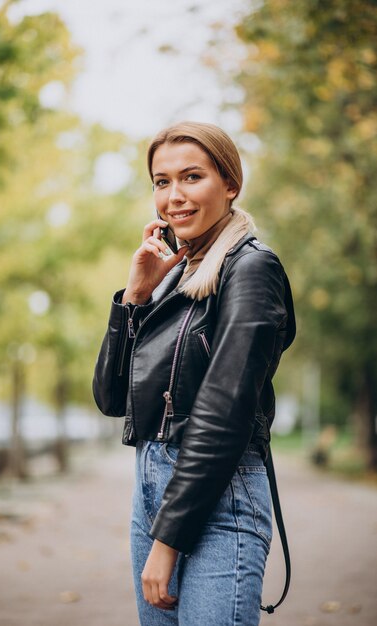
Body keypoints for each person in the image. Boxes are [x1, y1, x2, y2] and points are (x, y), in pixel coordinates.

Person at [92, 121, 296, 626]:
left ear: (230, 184)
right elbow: (112, 398)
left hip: (218, 494)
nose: (174, 197)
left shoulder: (250, 269)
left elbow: (224, 412)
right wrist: (135, 297)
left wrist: (169, 540)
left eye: (191, 177)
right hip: (153, 493)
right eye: (162, 182)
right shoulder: (173, 280)